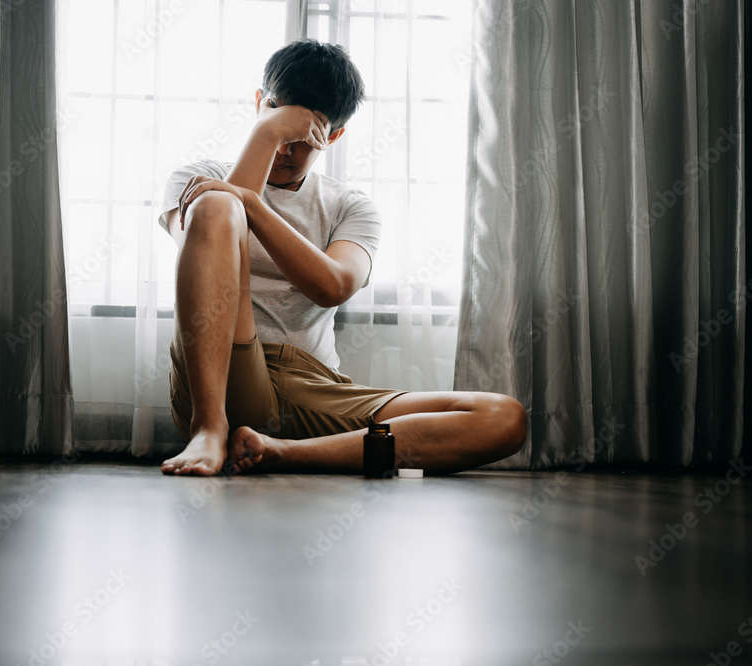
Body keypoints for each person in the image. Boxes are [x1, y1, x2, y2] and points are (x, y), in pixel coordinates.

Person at [157, 39, 526, 476]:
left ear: (333, 136)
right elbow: (203, 239)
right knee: (216, 205)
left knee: (502, 417)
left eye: (303, 136)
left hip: (315, 384)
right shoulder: (199, 178)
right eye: (277, 119)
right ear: (259, 104)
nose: (284, 149)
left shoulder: (352, 206)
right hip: (224, 378)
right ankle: (210, 429)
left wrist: (253, 205)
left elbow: (332, 286)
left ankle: (278, 452)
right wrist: (266, 132)